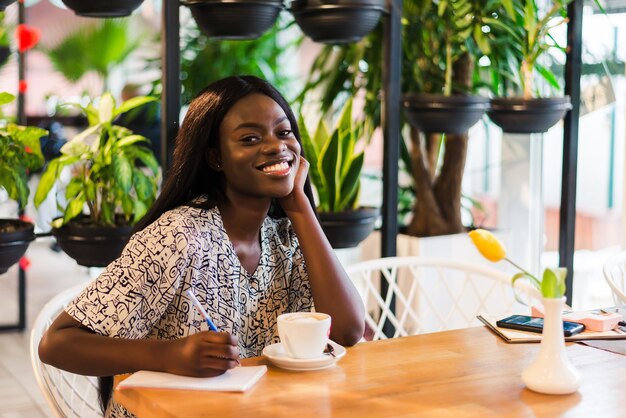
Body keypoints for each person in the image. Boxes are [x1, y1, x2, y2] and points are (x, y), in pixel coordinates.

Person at [38, 75, 366, 417]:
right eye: (250, 138)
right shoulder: (179, 236)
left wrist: (298, 204)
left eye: (283, 132)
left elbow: (346, 331)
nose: (275, 146)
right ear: (215, 158)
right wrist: (169, 355)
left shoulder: (284, 234)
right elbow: (58, 343)